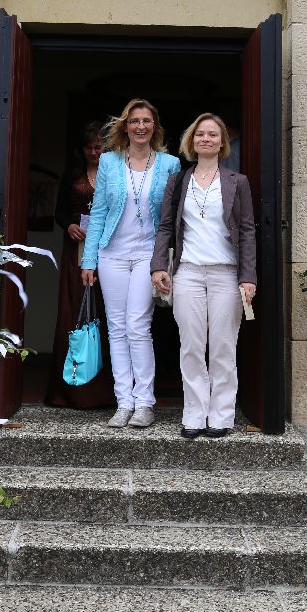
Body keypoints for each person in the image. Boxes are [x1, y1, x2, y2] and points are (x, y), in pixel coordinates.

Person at [151, 113, 256, 439]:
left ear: (222, 142)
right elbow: (166, 227)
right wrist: (158, 266)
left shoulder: (237, 182)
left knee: (223, 347)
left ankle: (221, 415)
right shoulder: (178, 181)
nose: (206, 139)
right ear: (192, 141)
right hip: (189, 273)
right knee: (192, 347)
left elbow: (248, 232)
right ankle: (194, 414)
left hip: (226, 274)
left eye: (213, 134)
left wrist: (248, 276)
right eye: (200, 135)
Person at [81, 99, 180, 428]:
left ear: (154, 126)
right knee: (117, 328)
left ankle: (145, 402)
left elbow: (174, 217)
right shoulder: (109, 162)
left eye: (146, 121)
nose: (140, 126)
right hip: (111, 254)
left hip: (147, 256)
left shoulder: (169, 164)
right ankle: (123, 401)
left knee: (138, 326)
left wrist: (169, 259)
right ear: (126, 126)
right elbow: (97, 214)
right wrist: (89, 259)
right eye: (134, 121)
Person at [46, 122, 115, 409]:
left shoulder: (115, 172)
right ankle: (71, 389)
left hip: (109, 246)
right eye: (89, 147)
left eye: (98, 146)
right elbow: (58, 212)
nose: (93, 152)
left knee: (107, 310)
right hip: (76, 248)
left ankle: (109, 390)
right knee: (73, 310)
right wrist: (69, 224)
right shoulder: (72, 175)